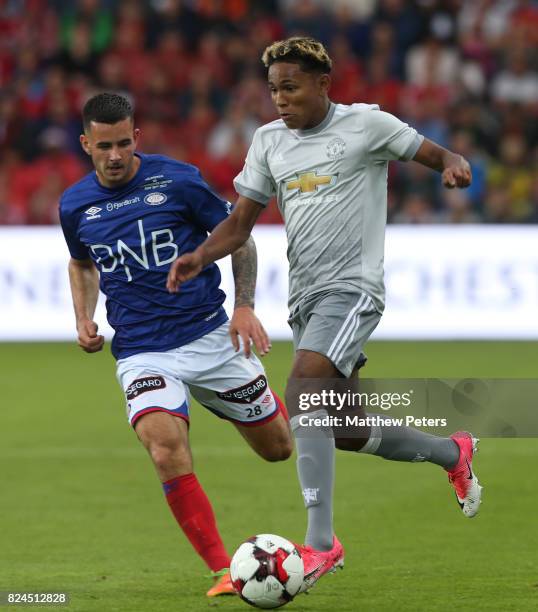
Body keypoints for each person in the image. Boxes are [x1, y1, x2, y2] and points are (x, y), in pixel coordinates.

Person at [166, 37, 483, 592]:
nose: (280, 100)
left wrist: (454, 164)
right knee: (343, 429)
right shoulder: (267, 142)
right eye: (273, 90)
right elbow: (239, 225)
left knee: (305, 390)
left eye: (290, 88)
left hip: (353, 289)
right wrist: (199, 255)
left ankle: (319, 545)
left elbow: (436, 155)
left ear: (322, 85)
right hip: (306, 299)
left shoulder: (367, 125)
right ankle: (451, 452)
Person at [59, 93, 293, 598]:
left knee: (278, 449)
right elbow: (82, 263)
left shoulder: (179, 181)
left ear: (136, 137)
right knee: (165, 449)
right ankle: (222, 572)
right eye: (104, 146)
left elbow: (239, 234)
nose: (116, 155)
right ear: (86, 144)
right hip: (142, 350)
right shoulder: (75, 205)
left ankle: (249, 400)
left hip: (210, 337)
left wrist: (244, 306)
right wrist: (83, 317)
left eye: (124, 143)